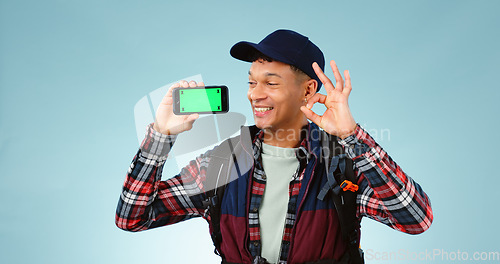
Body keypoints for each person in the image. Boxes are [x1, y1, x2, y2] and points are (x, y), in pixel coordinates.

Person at [116, 29, 433, 264]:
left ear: (308, 91)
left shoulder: (342, 165)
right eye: (252, 82)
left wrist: (351, 134)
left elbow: (415, 218)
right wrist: (160, 136)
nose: (255, 95)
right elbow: (133, 218)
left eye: (271, 82)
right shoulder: (223, 163)